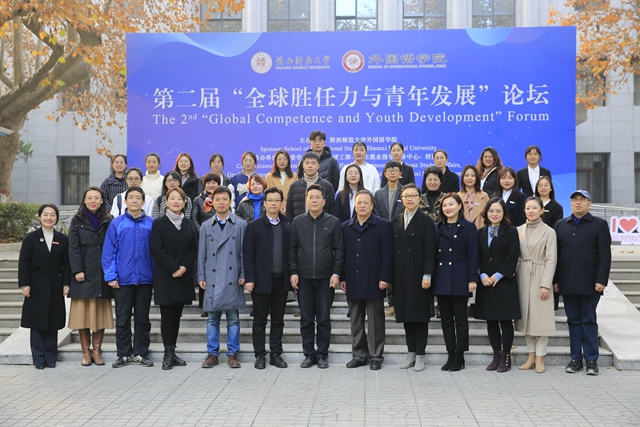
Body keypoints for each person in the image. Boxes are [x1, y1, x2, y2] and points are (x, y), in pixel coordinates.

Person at [554, 190, 611, 376]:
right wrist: (556, 280)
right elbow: (557, 256)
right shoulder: (561, 225)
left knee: (588, 321)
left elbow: (605, 256)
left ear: (589, 203)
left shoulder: (599, 225)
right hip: (567, 283)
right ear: (571, 203)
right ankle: (575, 359)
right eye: (575, 200)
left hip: (590, 284)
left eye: (582, 199)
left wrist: (601, 280)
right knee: (573, 321)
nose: (578, 203)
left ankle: (592, 360)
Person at [289, 184, 344, 369]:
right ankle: (308, 354)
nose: (314, 200)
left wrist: (336, 273)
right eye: (311, 197)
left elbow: (339, 249)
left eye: (317, 197)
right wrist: (293, 272)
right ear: (306, 200)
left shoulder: (333, 222)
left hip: (325, 278)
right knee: (306, 318)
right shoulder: (297, 222)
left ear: (324, 201)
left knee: (323, 319)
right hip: (303, 278)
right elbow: (292, 249)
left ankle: (322, 355)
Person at [102, 186, 155, 368]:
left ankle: (140, 353)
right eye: (131, 197)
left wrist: (155, 275)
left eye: (138, 198)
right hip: (122, 280)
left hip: (145, 279)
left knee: (143, 318)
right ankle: (124, 354)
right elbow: (109, 252)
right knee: (123, 318)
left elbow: (156, 252)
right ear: (125, 201)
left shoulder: (151, 223)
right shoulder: (116, 224)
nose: (134, 200)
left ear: (143, 202)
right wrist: (111, 276)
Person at [340, 190, 392, 370]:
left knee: (376, 321)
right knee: (356, 320)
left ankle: (376, 356)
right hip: (353, 279)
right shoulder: (345, 227)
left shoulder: (383, 225)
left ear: (372, 205)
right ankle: (359, 355)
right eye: (359, 203)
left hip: (374, 280)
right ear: (354, 205)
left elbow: (387, 255)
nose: (362, 206)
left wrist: (385, 277)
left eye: (365, 203)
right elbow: (342, 254)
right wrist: (342, 276)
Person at [198, 186, 247, 369]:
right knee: (212, 319)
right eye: (217, 199)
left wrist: (243, 273)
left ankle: (233, 353)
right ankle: (212, 353)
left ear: (230, 201)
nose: (221, 203)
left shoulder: (240, 224)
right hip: (212, 277)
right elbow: (202, 254)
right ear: (212, 202)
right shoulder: (206, 226)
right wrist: (201, 275)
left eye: (224, 199)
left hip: (232, 276)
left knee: (233, 319)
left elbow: (244, 252)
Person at [243, 187, 291, 369]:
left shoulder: (288, 225)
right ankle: (260, 355)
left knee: (278, 320)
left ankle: (276, 354)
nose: (273, 203)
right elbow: (248, 254)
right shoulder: (254, 226)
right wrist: (249, 278)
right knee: (260, 320)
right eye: (270, 200)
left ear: (281, 203)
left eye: (277, 200)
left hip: (281, 280)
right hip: (261, 280)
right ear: (264, 203)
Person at [391, 184, 437, 372]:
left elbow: (430, 250)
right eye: (406, 196)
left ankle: (420, 355)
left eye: (413, 196)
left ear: (419, 198)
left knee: (419, 316)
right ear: (401, 199)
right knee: (406, 316)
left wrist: (427, 274)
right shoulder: (395, 220)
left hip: (419, 275)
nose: (409, 199)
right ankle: (410, 353)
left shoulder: (426, 221)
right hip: (400, 274)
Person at [150, 187, 198, 370]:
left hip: (183, 276)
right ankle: (167, 353)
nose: (176, 201)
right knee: (167, 316)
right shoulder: (159, 223)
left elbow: (193, 248)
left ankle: (173, 350)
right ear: (166, 202)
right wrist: (173, 268)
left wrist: (184, 267)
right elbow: (157, 249)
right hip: (166, 276)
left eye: (180, 198)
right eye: (172, 198)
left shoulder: (188, 224)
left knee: (177, 316)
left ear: (184, 203)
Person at [19, 204, 70, 369]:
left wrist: (66, 283)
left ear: (57, 218)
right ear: (40, 217)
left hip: (56, 283)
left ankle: (50, 356)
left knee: (53, 321)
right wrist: (24, 284)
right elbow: (23, 263)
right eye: (46, 214)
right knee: (37, 322)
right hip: (36, 284)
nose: (49, 218)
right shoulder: (31, 238)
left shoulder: (62, 239)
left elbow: (67, 263)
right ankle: (38, 357)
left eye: (52, 215)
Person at [432, 193, 479, 372]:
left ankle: (460, 355)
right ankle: (450, 353)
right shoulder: (438, 227)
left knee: (460, 318)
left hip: (461, 274)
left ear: (460, 206)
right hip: (442, 276)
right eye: (445, 205)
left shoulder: (469, 227)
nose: (448, 208)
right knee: (445, 319)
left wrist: (472, 278)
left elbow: (473, 254)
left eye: (451, 204)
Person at [68, 187, 113, 366]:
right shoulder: (77, 220)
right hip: (83, 273)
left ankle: (97, 351)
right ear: (84, 200)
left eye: (96, 198)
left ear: (102, 201)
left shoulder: (108, 220)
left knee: (100, 315)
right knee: (83, 316)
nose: (93, 201)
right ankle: (86, 352)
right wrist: (78, 270)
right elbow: (73, 247)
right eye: (89, 198)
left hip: (102, 272)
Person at [475, 197, 520, 372]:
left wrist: (498, 275)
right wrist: (482, 275)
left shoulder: (511, 231)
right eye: (491, 211)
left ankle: (506, 357)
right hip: (485, 282)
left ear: (504, 213)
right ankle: (496, 356)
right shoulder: (480, 232)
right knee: (491, 321)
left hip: (504, 282)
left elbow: (513, 255)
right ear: (486, 213)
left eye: (498, 211)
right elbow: (477, 256)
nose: (494, 214)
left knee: (505, 321)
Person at [515, 197, 558, 374]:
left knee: (541, 320)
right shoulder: (518, 230)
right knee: (526, 320)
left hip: (540, 275)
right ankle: (531, 356)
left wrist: (546, 284)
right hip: (522, 276)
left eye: (534, 208)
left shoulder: (549, 232)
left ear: (542, 210)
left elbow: (551, 259)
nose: (531, 211)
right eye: (528, 208)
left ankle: (540, 357)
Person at [191, 172, 221, 315]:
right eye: (208, 182)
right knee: (205, 271)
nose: (211, 185)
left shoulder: (221, 198)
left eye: (214, 182)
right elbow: (193, 218)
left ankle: (219, 303)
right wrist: (203, 232)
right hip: (203, 239)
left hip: (220, 239)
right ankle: (205, 305)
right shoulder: (198, 200)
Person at [286, 152, 335, 221]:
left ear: (318, 166)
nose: (310, 166)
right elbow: (289, 210)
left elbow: (332, 210)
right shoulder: (294, 186)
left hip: (322, 225)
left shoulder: (327, 186)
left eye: (313, 163)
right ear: (303, 165)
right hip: (300, 225)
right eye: (307, 163)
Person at [458, 165, 490, 229]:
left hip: (480, 231)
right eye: (467, 175)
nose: (469, 178)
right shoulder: (457, 196)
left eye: (473, 176)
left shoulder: (484, 196)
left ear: (477, 178)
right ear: (463, 178)